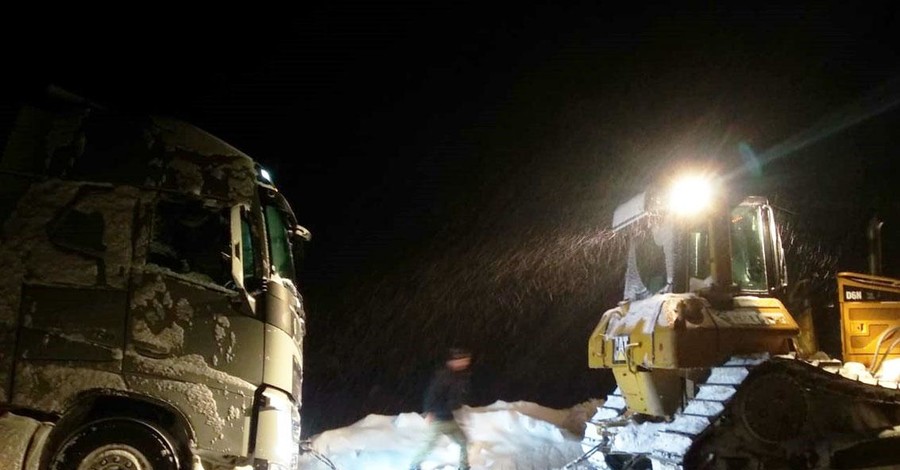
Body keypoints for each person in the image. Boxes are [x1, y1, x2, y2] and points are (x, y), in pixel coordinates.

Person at [409, 348, 472, 470]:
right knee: (429, 445)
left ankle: (464, 467)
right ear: (455, 361)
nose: (466, 363)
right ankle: (414, 466)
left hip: (450, 419)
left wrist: (457, 406)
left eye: (467, 361)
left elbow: (455, 396)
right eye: (463, 360)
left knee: (463, 442)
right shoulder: (444, 376)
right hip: (439, 419)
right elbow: (431, 395)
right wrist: (429, 412)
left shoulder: (457, 376)